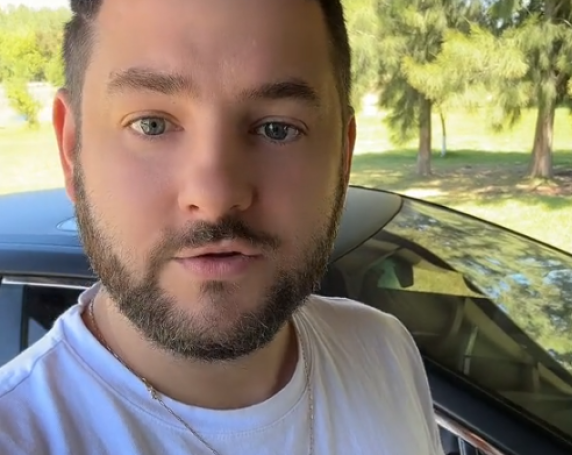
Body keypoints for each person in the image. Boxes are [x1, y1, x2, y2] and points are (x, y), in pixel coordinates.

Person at [0, 0, 445, 453]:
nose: (214, 198)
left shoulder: (385, 351)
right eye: (151, 125)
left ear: (343, 159)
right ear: (71, 151)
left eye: (277, 129)